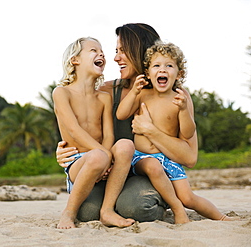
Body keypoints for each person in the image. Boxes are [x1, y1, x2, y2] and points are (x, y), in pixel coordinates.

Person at [56, 23, 198, 223]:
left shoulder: (175, 96)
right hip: (108, 171)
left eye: (123, 51)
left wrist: (150, 131)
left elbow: (190, 157)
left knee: (138, 207)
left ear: (142, 52)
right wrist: (65, 150)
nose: (115, 58)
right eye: (115, 51)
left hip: (146, 173)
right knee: (87, 212)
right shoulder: (105, 92)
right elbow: (77, 124)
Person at [117, 41, 237, 223]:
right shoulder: (143, 94)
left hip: (167, 158)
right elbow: (121, 114)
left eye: (169, 66)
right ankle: (177, 209)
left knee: (188, 197)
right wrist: (133, 92)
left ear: (179, 74)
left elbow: (188, 133)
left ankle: (221, 217)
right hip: (140, 157)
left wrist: (183, 110)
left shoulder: (179, 99)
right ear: (148, 72)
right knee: (153, 166)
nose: (162, 70)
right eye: (156, 65)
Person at [53, 37, 135, 229]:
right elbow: (74, 129)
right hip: (78, 162)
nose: (101, 54)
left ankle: (107, 211)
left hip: (102, 157)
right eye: (93, 50)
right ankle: (68, 213)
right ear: (75, 60)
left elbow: (108, 136)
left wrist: (107, 156)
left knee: (125, 145)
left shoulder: (103, 98)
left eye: (102, 52)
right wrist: (104, 155)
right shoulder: (62, 93)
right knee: (97, 156)